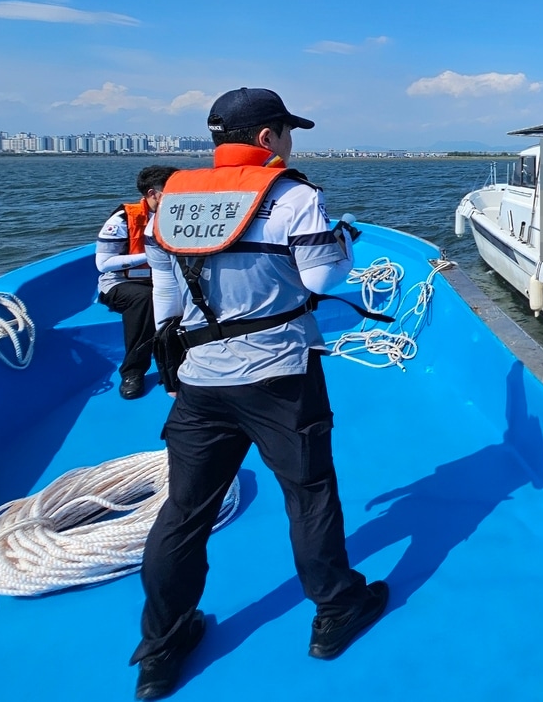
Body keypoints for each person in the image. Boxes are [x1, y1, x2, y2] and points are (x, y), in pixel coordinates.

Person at [131, 88, 387, 700]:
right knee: (308, 492)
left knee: (184, 513)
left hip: (199, 382)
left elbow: (164, 291)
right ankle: (334, 608)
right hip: (279, 377)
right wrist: (341, 241)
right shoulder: (295, 197)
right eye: (287, 131)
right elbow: (324, 279)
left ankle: (160, 652)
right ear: (268, 137)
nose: (291, 141)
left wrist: (181, 354)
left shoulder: (170, 200)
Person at [96, 165, 179, 399]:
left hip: (162, 278)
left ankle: (182, 364)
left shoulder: (179, 215)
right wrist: (153, 254)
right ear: (153, 194)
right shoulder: (124, 218)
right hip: (120, 283)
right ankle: (133, 371)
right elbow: (103, 263)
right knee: (144, 301)